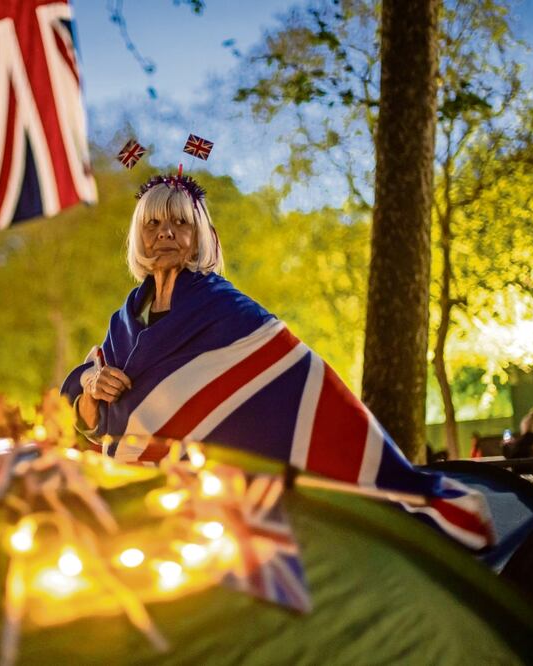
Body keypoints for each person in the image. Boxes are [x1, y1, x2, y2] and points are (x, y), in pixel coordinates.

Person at [59, 172, 493, 549]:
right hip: (139, 500)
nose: (166, 233)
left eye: (180, 223)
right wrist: (93, 386)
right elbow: (91, 416)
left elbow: (292, 378)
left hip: (207, 506)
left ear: (199, 237)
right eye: (153, 223)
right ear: (139, 237)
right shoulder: (124, 319)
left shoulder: (225, 309)